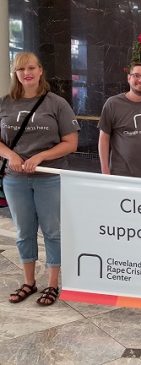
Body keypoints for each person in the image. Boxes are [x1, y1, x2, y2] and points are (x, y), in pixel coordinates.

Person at [0, 52, 79, 305]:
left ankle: (53, 284)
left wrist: (41, 156)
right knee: (23, 231)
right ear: (16, 73)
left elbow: (71, 143)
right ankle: (29, 282)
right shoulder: (5, 103)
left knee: (52, 231)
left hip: (49, 178)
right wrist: (10, 155)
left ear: (40, 70)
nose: (26, 73)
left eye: (31, 67)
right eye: (21, 69)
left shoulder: (56, 103)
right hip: (14, 179)